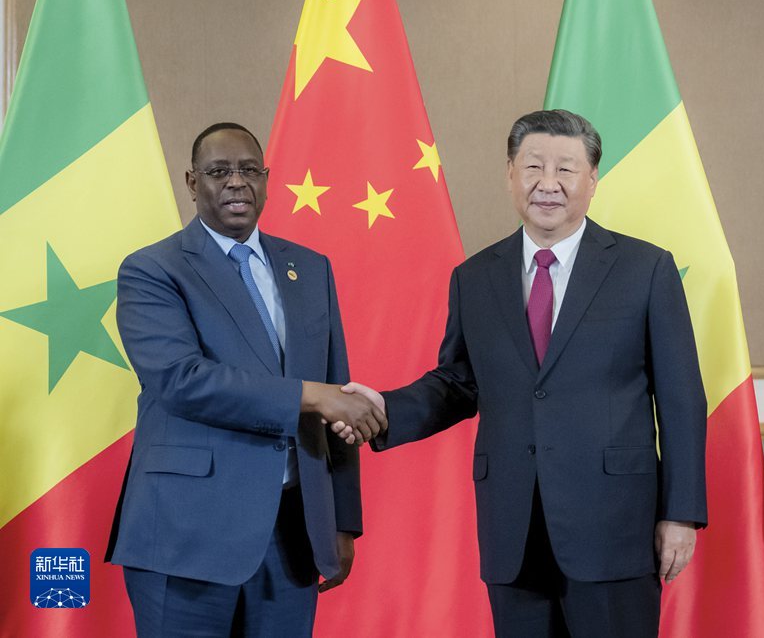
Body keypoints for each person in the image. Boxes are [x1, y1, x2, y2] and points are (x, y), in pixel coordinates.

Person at [341, 110, 707, 637]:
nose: (548, 184)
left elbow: (681, 398)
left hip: (614, 526)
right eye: (533, 166)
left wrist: (681, 514)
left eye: (566, 169)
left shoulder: (645, 269)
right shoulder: (475, 277)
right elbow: (459, 383)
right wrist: (383, 411)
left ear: (593, 179)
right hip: (513, 526)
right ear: (510, 173)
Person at [106, 122, 386, 637]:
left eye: (248, 170)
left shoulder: (311, 268)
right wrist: (309, 395)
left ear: (266, 178)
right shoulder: (152, 269)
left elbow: (337, 392)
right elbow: (181, 381)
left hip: (291, 536)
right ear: (192, 182)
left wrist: (342, 521)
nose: (236, 182)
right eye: (218, 172)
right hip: (186, 536)